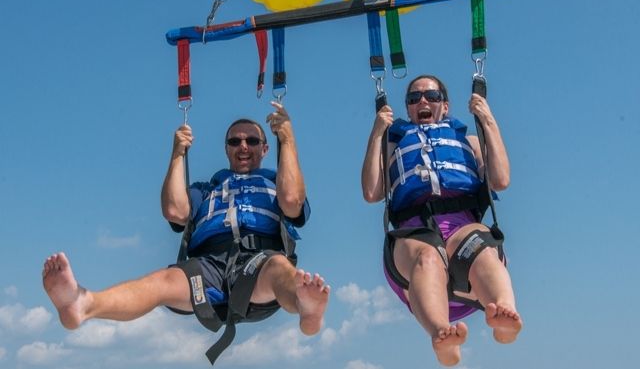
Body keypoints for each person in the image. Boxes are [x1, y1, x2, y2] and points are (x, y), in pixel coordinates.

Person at [43, 101, 330, 362]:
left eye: (252, 140)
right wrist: (178, 153)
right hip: (208, 266)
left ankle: (306, 309)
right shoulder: (206, 189)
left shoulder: (277, 183)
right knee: (162, 280)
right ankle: (83, 303)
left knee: (279, 267)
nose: (243, 146)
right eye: (235, 141)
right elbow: (174, 211)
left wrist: (287, 138)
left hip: (259, 261)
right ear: (227, 148)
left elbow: (292, 201)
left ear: (265, 149)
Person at [361, 75, 521, 366]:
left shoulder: (467, 140)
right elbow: (372, 192)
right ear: (408, 109)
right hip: (414, 232)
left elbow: (501, 179)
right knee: (427, 256)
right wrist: (377, 133)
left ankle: (503, 312)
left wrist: (487, 119)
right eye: (414, 98)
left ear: (444, 106)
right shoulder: (393, 144)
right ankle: (441, 334)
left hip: (462, 226)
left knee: (481, 247)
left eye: (431, 96)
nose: (423, 101)